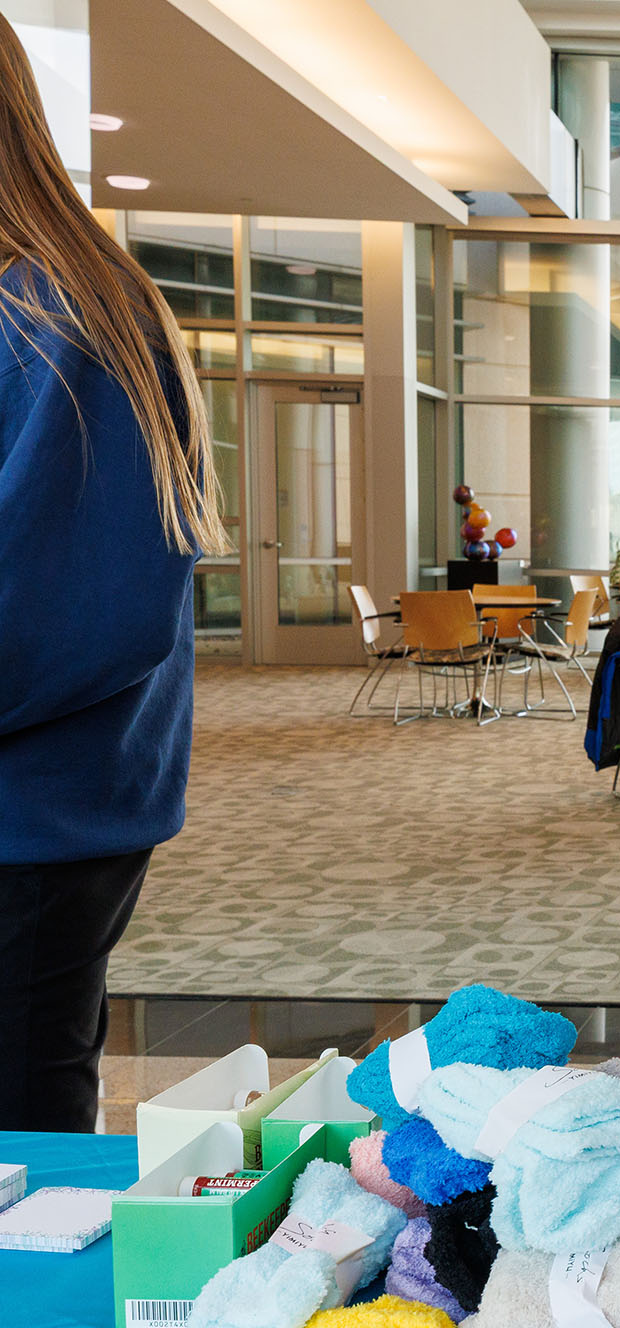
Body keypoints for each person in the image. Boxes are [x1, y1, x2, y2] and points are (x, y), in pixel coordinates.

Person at [0, 17, 224, 1131]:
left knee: (21, 1186)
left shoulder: (57, 315)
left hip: (29, 835)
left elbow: (63, 612)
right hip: (46, 821)